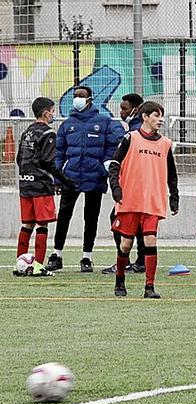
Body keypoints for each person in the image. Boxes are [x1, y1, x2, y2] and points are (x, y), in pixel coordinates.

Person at [45, 85, 124, 273]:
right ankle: (57, 255)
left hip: (94, 178)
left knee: (91, 218)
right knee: (64, 216)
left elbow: (113, 146)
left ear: (89, 99)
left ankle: (87, 257)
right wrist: (58, 178)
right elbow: (59, 153)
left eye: (81, 96)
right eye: (75, 96)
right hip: (69, 178)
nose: (77, 99)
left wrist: (101, 167)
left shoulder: (103, 122)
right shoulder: (67, 124)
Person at [107, 101, 179, 299]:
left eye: (161, 115)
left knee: (150, 240)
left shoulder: (165, 144)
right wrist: (116, 189)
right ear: (145, 117)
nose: (160, 119)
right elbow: (114, 164)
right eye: (156, 115)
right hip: (130, 200)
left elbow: (172, 173)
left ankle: (149, 286)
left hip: (152, 202)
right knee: (126, 245)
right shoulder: (130, 138)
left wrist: (174, 196)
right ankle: (120, 280)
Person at [16, 97, 77, 266]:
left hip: (25, 184)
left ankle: (20, 262)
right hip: (40, 185)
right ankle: (38, 265)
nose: (53, 114)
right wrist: (64, 180)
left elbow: (19, 158)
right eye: (52, 111)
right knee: (42, 224)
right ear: (45, 113)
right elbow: (49, 162)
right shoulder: (48, 133)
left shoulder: (27, 131)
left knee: (27, 224)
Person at [102, 91, 147, 275]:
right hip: (141, 184)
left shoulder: (134, 133)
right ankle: (140, 261)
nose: (121, 112)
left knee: (118, 220)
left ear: (135, 109)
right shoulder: (136, 129)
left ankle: (125, 260)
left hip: (133, 185)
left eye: (124, 108)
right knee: (141, 224)